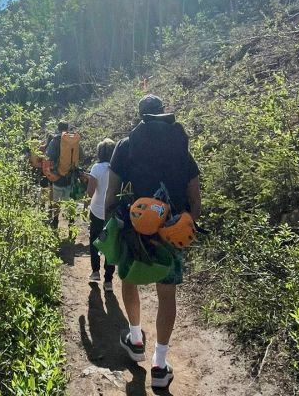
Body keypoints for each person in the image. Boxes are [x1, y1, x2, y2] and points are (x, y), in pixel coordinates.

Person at [104, 94, 201, 390]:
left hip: (136, 228)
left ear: (140, 116)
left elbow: (111, 194)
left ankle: (135, 340)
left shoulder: (126, 145)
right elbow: (194, 193)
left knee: (130, 280)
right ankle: (160, 364)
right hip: (171, 230)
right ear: (163, 114)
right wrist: (187, 226)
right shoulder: (179, 144)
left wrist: (113, 222)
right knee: (167, 293)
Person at [86, 138, 118, 291]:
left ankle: (95, 271)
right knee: (111, 244)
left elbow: (90, 191)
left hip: (97, 210)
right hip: (112, 212)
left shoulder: (96, 168)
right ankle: (108, 281)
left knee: (94, 240)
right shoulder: (118, 168)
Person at [45, 121, 71, 229]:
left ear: (58, 128)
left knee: (56, 201)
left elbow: (48, 156)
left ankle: (55, 222)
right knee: (70, 201)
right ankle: (71, 223)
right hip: (71, 177)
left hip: (58, 176)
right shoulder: (73, 139)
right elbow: (81, 156)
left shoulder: (55, 140)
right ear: (67, 128)